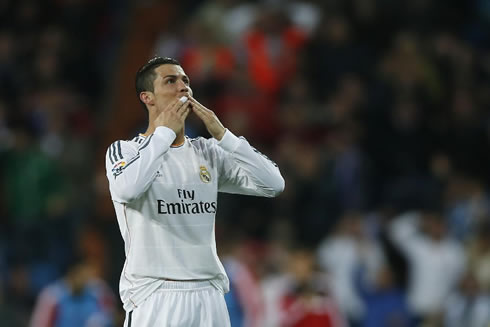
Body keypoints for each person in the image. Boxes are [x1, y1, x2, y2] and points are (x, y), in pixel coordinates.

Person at [105, 56, 284, 326]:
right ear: (147, 97)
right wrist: (164, 134)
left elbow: (273, 184)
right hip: (156, 294)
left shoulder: (207, 152)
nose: (183, 87)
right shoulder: (126, 151)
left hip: (209, 294)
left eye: (186, 81)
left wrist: (224, 135)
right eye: (171, 81)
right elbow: (128, 188)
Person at [29, 257, 116, 327]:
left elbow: (111, 317)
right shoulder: (51, 296)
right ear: (71, 273)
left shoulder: (100, 291)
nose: (84, 278)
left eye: (86, 274)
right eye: (80, 274)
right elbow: (39, 324)